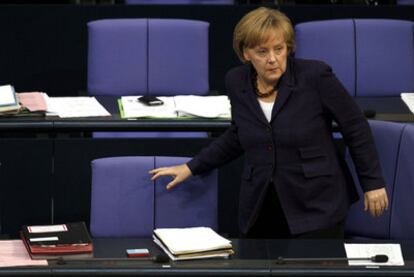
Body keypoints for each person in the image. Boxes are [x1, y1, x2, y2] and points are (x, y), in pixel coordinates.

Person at [150, 7, 388, 239]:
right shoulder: (237, 81)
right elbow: (238, 135)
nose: (272, 59)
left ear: (288, 48)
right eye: (262, 52)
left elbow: (355, 127)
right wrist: (193, 167)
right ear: (246, 53)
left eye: (279, 49)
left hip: (317, 204)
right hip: (261, 205)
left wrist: (373, 183)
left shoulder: (315, 76)